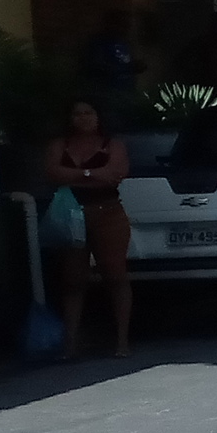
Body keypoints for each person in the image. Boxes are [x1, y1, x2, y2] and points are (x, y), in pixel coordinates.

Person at [44, 99, 132, 359]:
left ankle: (122, 340)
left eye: (89, 113)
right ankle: (70, 342)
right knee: (72, 280)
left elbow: (116, 173)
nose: (83, 118)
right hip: (70, 214)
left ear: (99, 117)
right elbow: (51, 172)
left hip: (108, 213)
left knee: (115, 274)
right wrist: (91, 175)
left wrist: (75, 175)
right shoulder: (59, 145)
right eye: (77, 113)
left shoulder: (112, 145)